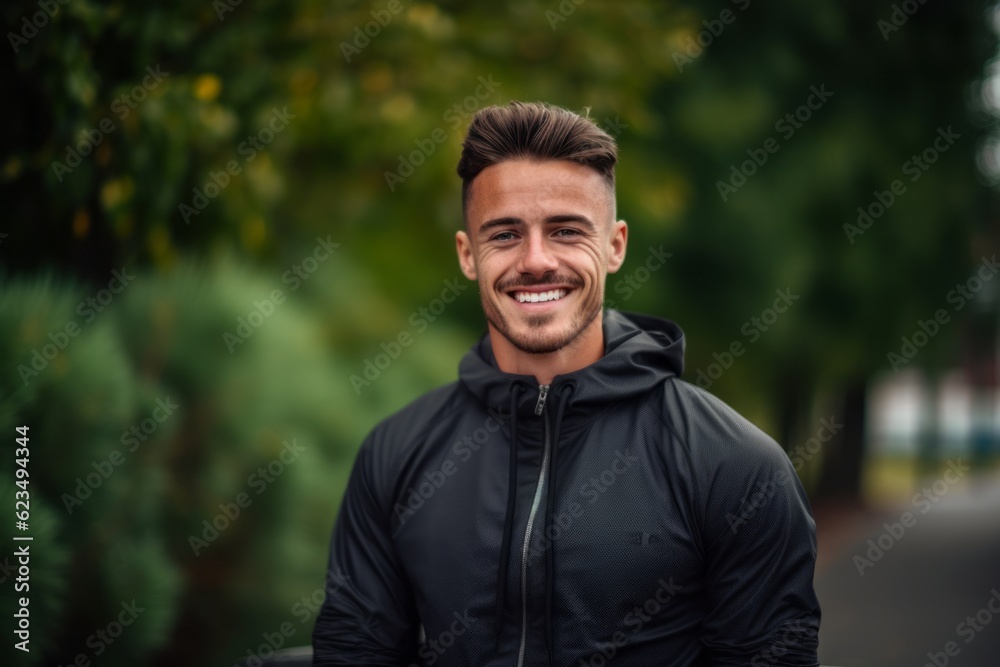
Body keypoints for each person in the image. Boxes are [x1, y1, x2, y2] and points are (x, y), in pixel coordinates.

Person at [312, 101, 821, 666]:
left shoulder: (734, 465)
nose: (535, 261)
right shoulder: (396, 453)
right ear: (467, 255)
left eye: (565, 231)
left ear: (615, 245)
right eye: (505, 234)